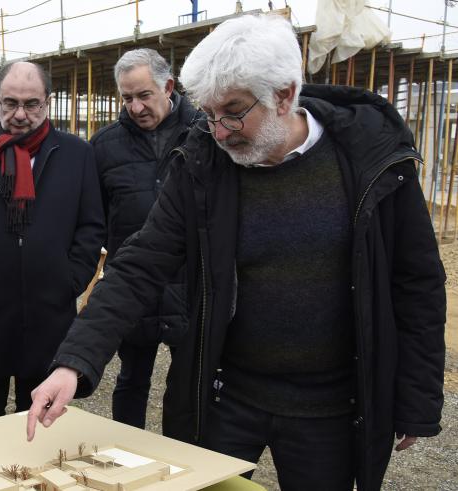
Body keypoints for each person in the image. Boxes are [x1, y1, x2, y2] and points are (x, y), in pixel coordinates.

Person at [27, 14, 445, 490]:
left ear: (285, 95)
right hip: (226, 394)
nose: (219, 131)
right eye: (208, 113)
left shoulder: (371, 158)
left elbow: (416, 282)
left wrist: (416, 397)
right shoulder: (202, 161)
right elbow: (141, 264)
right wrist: (74, 361)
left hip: (331, 408)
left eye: (233, 111)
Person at [0, 61, 104, 423]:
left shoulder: (76, 155)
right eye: (9, 103)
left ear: (47, 101)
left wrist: (70, 279)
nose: (19, 114)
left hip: (49, 312)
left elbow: (91, 227)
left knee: (40, 418)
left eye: (31, 104)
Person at [90, 48, 197, 429]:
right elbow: (95, 216)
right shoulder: (105, 146)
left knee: (186, 383)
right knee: (132, 378)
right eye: (126, 98)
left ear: (168, 86)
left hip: (190, 283)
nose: (135, 107)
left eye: (144, 95)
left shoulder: (203, 135)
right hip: (134, 282)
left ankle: (179, 462)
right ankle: (127, 454)